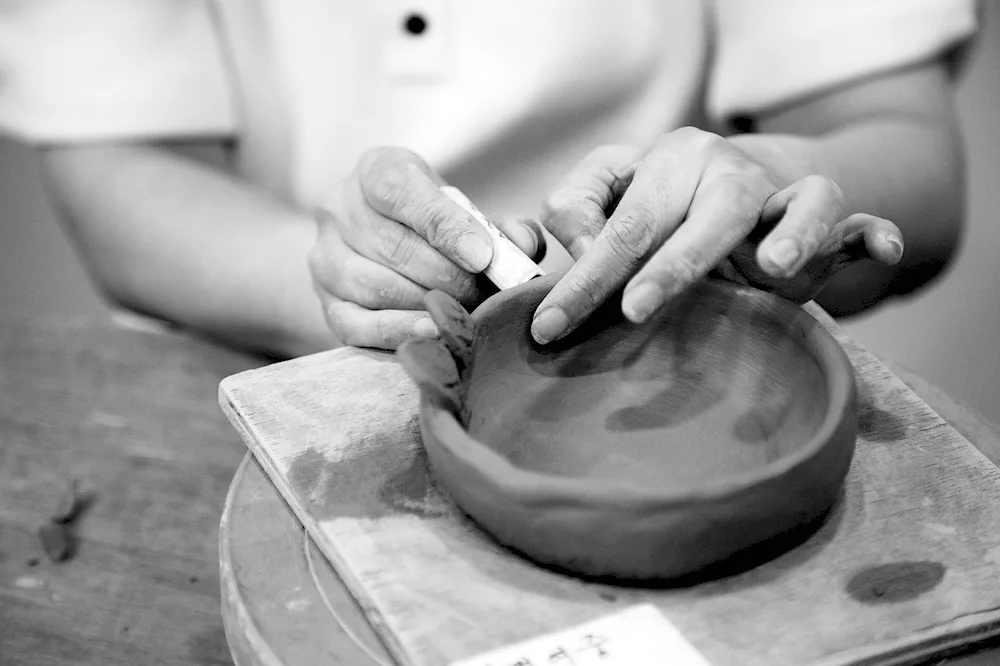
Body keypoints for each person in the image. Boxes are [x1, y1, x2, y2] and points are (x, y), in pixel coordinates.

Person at [0, 0, 977, 357]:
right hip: (271, 340)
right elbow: (119, 170)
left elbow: (910, 163)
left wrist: (774, 191)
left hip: (673, 341)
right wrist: (324, 277)